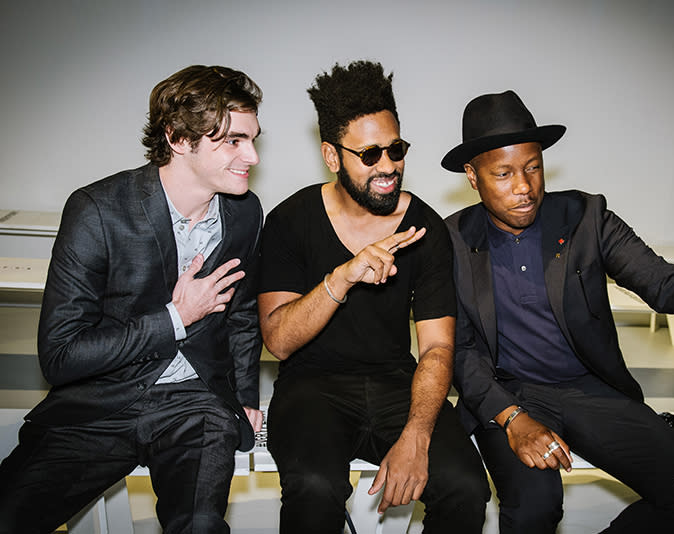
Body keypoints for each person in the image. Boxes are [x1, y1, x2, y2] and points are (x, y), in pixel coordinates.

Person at [441, 90, 674, 534]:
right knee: (533, 509)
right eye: (504, 174)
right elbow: (461, 349)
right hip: (506, 396)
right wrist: (512, 417)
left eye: (533, 167)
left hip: (592, 391)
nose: (524, 187)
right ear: (473, 176)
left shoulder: (586, 216)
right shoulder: (451, 239)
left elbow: (661, 279)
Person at [0, 65, 265, 533]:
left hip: (196, 403)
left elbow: (242, 316)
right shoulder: (97, 210)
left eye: (253, 139)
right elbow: (60, 355)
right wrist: (176, 317)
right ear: (179, 139)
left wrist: (244, 397)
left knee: (201, 526)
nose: (253, 156)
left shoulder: (244, 212)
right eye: (233, 141)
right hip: (101, 403)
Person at [257, 60, 489, 533]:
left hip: (397, 385)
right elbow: (278, 341)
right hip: (310, 388)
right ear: (332, 155)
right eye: (370, 155)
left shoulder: (425, 230)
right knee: (315, 488)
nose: (388, 166)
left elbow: (438, 349)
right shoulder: (290, 220)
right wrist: (342, 277)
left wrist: (417, 435)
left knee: (466, 487)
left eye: (396, 149)